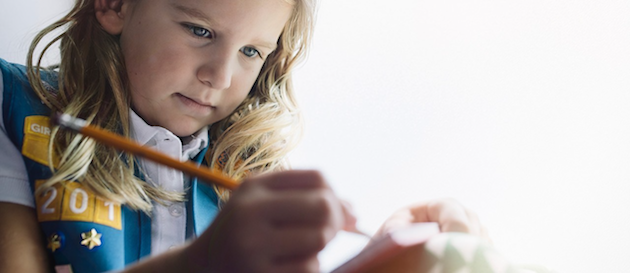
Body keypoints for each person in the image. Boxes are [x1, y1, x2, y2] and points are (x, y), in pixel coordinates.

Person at [0, 0, 487, 272]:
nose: (220, 75)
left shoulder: (250, 175)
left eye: (252, 51)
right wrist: (201, 265)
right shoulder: (11, 105)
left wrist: (383, 263)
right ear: (114, 4)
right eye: (200, 31)